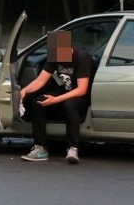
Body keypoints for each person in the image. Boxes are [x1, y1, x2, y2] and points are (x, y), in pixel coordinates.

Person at [20, 30, 93, 164]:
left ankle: (73, 147)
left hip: (80, 95)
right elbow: (40, 81)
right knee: (38, 102)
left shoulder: (81, 57)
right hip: (64, 90)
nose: (56, 56)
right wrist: (24, 91)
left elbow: (82, 90)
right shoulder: (54, 56)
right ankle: (40, 148)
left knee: (69, 104)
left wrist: (56, 100)